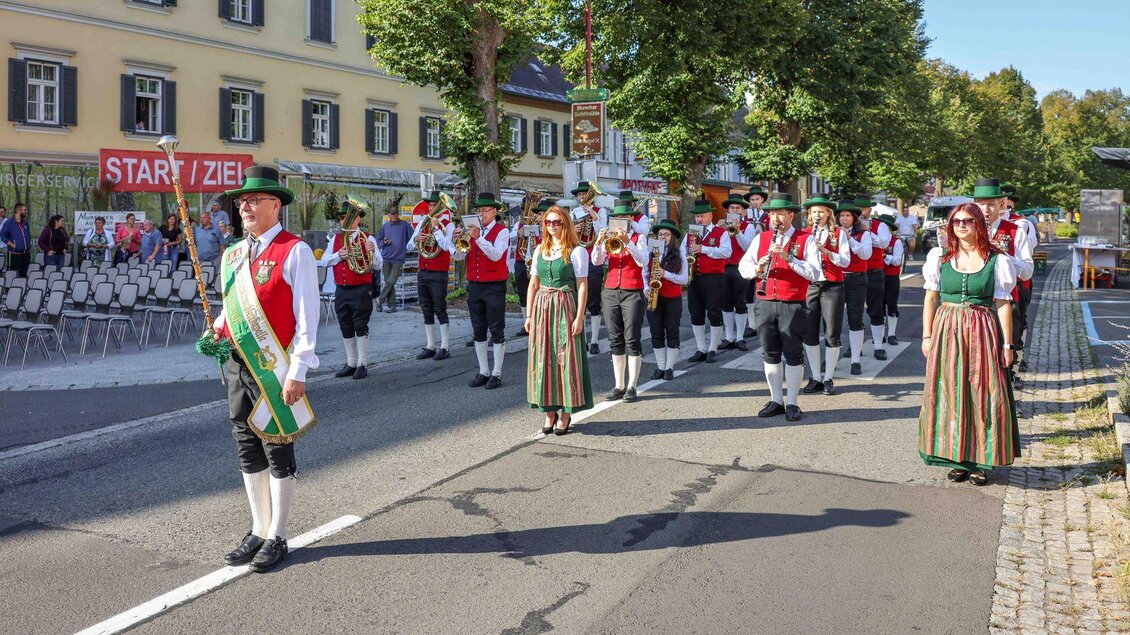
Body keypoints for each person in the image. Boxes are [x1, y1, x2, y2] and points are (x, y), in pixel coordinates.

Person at [211, 165, 320, 573]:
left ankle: (277, 533)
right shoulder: (234, 253)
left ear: (276, 205)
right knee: (245, 440)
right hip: (239, 364)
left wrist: (299, 371)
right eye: (242, 202)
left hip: (276, 366)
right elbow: (231, 306)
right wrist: (219, 329)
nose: (245, 207)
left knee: (277, 444)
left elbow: (308, 317)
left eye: (254, 200)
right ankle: (257, 528)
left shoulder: (295, 250)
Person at [919, 202, 1018, 486]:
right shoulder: (939, 256)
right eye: (956, 221)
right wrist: (926, 336)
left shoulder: (996, 260)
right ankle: (957, 458)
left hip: (982, 330)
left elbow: (1002, 303)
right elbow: (930, 299)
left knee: (982, 391)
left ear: (979, 225)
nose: (961, 225)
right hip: (947, 329)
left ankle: (980, 461)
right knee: (949, 391)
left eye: (968, 221)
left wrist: (1007, 344)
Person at [739, 193, 822, 421]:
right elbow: (743, 266)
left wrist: (789, 258)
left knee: (793, 353)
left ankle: (793, 402)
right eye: (772, 214)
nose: (775, 218)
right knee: (770, 353)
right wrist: (757, 268)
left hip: (793, 303)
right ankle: (776, 399)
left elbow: (815, 272)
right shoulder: (761, 238)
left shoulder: (806, 239)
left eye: (780, 214)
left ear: (791, 215)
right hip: (764, 302)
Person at [525, 205, 593, 435]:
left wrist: (580, 316)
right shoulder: (539, 250)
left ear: (566, 224)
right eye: (548, 222)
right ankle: (549, 411)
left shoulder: (576, 251)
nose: (552, 226)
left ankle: (565, 413)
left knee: (567, 357)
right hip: (542, 306)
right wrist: (528, 315)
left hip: (565, 304)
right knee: (543, 356)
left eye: (557, 222)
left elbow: (583, 285)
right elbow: (533, 284)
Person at [973, 178, 1033, 386]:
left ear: (1002, 205)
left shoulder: (1016, 231)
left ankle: (1005, 402)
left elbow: (1027, 272)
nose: (986, 209)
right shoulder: (965, 228)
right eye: (981, 204)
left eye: (991, 204)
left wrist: (1005, 256)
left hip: (1006, 303)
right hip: (974, 304)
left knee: (1005, 354)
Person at [591, 200, 650, 402]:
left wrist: (629, 242)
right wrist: (599, 243)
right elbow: (597, 262)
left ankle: (632, 385)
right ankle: (619, 385)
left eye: (624, 218)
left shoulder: (639, 237)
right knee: (615, 339)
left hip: (632, 291)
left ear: (631, 219)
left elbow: (643, 261)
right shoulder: (608, 238)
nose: (620, 222)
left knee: (632, 338)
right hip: (610, 290)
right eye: (617, 218)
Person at [453, 193, 510, 388]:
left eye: (485, 210)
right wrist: (458, 242)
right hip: (475, 286)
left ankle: (497, 372)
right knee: (478, 330)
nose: (481, 213)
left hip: (494, 285)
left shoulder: (502, 232)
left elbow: (495, 255)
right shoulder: (471, 232)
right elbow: (458, 258)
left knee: (496, 329)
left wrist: (478, 239)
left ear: (494, 212)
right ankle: (483, 371)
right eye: (478, 210)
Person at [320, 200, 380, 380]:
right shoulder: (336, 239)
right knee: (345, 324)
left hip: (361, 288)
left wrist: (371, 252)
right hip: (342, 289)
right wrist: (338, 255)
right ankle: (351, 362)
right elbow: (324, 261)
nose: (343, 221)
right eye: (341, 218)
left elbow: (377, 265)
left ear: (357, 220)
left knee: (360, 325)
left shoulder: (368, 238)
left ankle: (362, 363)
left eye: (347, 218)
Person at [800, 195, 850, 396]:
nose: (817, 215)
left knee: (831, 332)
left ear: (829, 213)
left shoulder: (838, 233)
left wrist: (827, 251)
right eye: (814, 212)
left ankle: (828, 377)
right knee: (809, 332)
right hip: (810, 285)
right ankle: (815, 377)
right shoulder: (803, 234)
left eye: (821, 211)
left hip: (832, 286)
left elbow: (845, 261)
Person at [683, 199, 731, 363]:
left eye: (702, 216)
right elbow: (683, 252)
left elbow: (726, 252)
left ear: (710, 215)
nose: (699, 219)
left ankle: (713, 348)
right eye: (697, 217)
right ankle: (701, 348)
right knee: (696, 313)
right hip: (694, 277)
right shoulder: (691, 232)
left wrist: (704, 249)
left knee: (714, 312)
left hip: (713, 278)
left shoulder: (720, 232)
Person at [410, 190, 456, 361]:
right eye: (429, 204)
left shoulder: (449, 225)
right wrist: (417, 239)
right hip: (423, 271)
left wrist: (437, 228)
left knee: (440, 308)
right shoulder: (423, 222)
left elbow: (446, 246)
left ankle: (445, 346)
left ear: (441, 207)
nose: (431, 207)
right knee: (426, 309)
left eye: (434, 204)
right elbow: (409, 245)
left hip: (438, 272)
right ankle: (430, 345)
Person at [645, 220, 688, 381]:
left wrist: (665, 274)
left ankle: (669, 367)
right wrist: (646, 289)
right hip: (653, 296)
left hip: (672, 298)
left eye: (667, 235)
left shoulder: (680, 254)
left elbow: (684, 280)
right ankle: (660, 366)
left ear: (672, 237)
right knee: (656, 332)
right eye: (661, 234)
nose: (663, 237)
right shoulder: (650, 252)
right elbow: (643, 274)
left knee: (672, 331)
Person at [570, 182, 609, 354]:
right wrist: (573, 229)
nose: (581, 197)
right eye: (579, 195)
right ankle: (582, 338)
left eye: (584, 194)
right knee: (578, 301)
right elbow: (566, 237)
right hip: (577, 257)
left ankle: (594, 340)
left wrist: (593, 215)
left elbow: (603, 231)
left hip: (594, 258)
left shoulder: (601, 212)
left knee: (593, 300)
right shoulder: (573, 213)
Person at [838, 199, 873, 376]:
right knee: (833, 319)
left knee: (855, 318)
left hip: (857, 279)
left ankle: (855, 360)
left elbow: (866, 254)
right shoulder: (833, 233)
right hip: (837, 279)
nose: (844, 219)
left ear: (854, 218)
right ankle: (832, 357)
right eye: (841, 216)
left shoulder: (863, 234)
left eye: (847, 216)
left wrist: (849, 238)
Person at [720, 193, 757, 351]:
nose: (734, 210)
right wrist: (719, 229)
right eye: (732, 208)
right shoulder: (720, 225)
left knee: (741, 303)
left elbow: (747, 247)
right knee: (726, 303)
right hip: (724, 267)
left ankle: (740, 338)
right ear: (728, 210)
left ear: (742, 211)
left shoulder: (749, 227)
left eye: (737, 208)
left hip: (741, 267)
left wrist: (737, 231)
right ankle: (729, 337)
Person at [856, 194, 891, 361]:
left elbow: (884, 244)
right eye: (859, 209)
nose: (862, 212)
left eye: (864, 209)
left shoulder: (880, 225)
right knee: (854, 312)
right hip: (855, 273)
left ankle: (878, 346)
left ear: (870, 210)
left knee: (876, 309)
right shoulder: (848, 227)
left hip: (874, 271)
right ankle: (855, 346)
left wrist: (868, 232)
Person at [513, 198, 549, 337]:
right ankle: (526, 323)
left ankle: (541, 323)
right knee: (523, 292)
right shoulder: (522, 224)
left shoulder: (552, 227)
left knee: (540, 293)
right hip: (523, 261)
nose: (540, 216)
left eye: (543, 213)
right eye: (539, 213)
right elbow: (510, 239)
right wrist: (518, 233)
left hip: (541, 262)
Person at [375, 207, 414, 312]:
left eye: (395, 213)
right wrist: (384, 242)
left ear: (398, 214)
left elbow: (413, 237)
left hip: (398, 259)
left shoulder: (405, 225)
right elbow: (377, 240)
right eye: (391, 214)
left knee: (391, 281)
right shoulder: (385, 226)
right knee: (389, 283)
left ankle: (380, 299)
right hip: (386, 258)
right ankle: (392, 306)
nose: (393, 216)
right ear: (389, 215)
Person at [742, 185, 769, 336]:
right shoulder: (744, 218)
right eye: (752, 199)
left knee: (762, 289)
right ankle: (751, 324)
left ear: (762, 200)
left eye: (757, 199)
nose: (754, 202)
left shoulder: (769, 217)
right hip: (748, 256)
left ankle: (762, 322)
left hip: (764, 256)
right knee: (748, 293)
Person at [877, 214, 904, 345]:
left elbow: (897, 260)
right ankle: (881, 334)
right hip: (878, 275)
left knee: (892, 305)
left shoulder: (896, 241)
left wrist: (885, 257)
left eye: (884, 226)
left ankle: (891, 334)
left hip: (892, 277)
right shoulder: (876, 241)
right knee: (879, 305)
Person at [1, 202, 32, 276]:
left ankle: (22, 287)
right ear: (18, 210)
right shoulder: (9, 222)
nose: (26, 211)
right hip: (14, 254)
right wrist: (13, 245)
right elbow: (3, 236)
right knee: (12, 274)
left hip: (26, 254)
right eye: (25, 210)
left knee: (24, 274)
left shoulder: (25, 222)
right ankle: (10, 287)